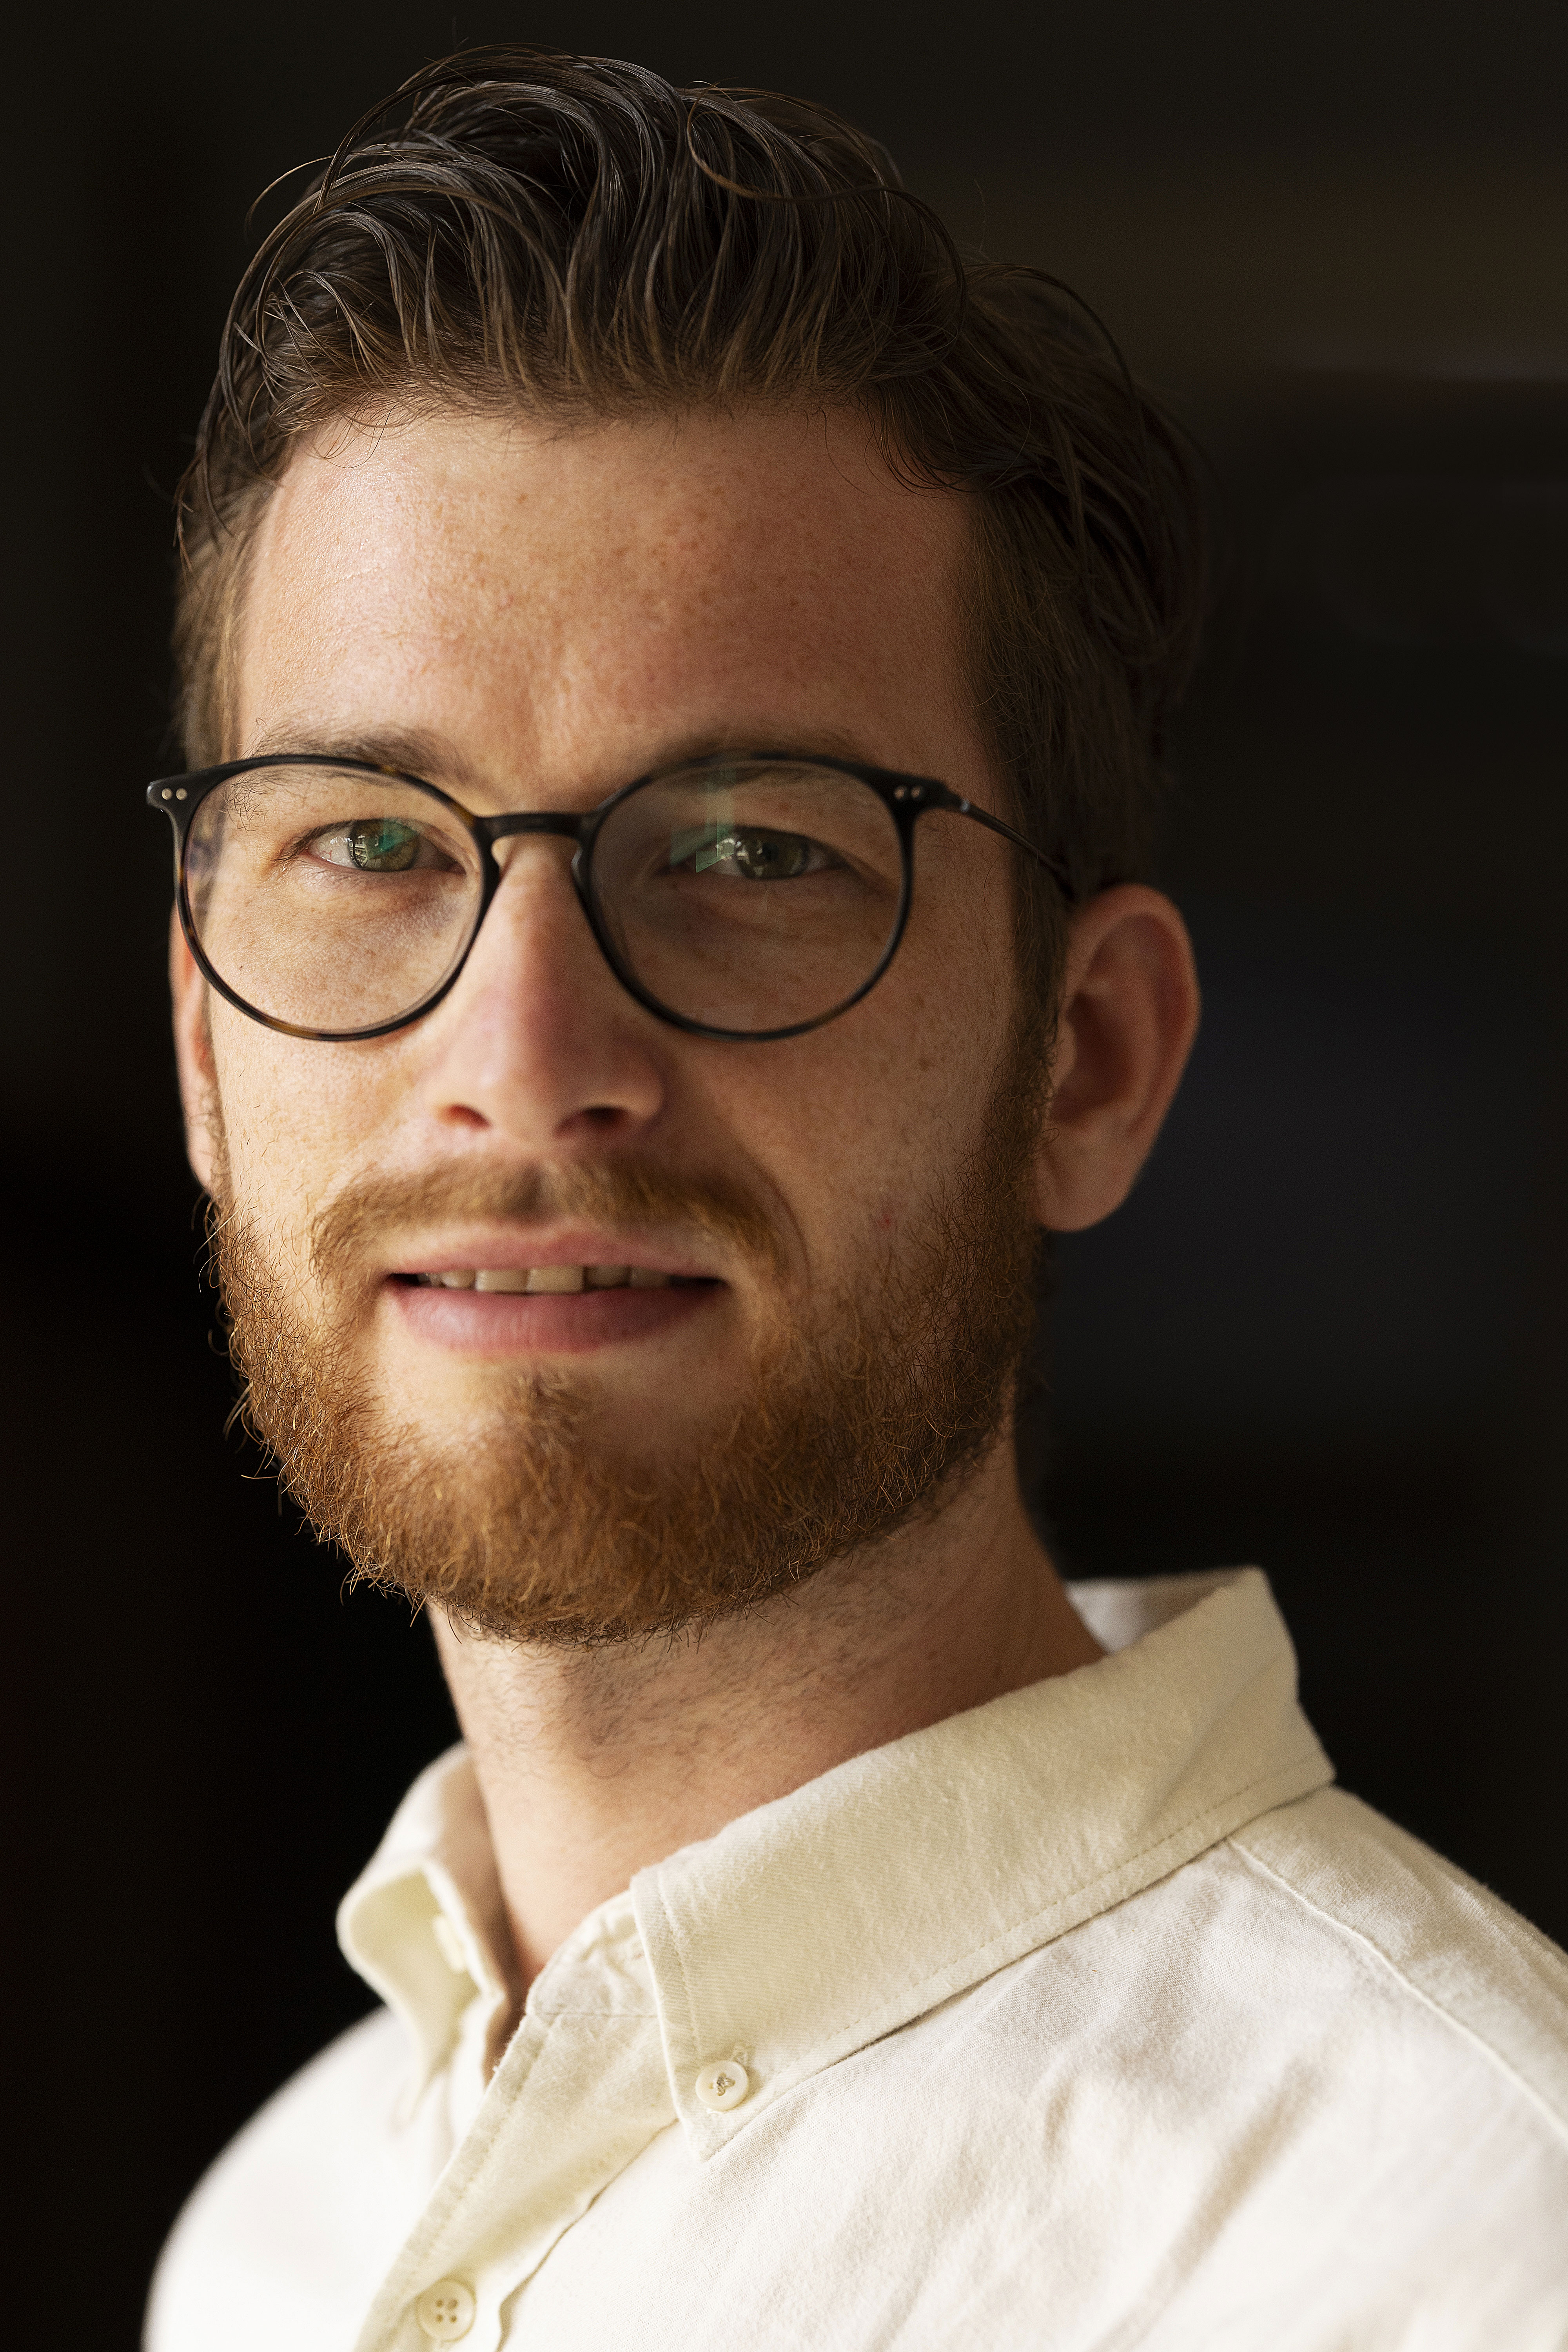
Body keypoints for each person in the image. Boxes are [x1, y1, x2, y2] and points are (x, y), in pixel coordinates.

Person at [144, 47, 1567, 2352]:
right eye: (372, 843)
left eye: (745, 852)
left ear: (1088, 1063)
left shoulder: (1461, 2254)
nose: (526, 1059)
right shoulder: (268, 2250)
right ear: (210, 1056)